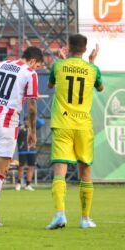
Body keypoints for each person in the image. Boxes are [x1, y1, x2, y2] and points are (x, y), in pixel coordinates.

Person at [0, 46, 43, 226]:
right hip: (6, 123)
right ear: (34, 61)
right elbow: (33, 107)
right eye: (38, 66)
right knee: (1, 170)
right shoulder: (29, 73)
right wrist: (33, 132)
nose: (36, 69)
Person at [46, 34, 103, 230]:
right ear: (85, 50)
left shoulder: (57, 66)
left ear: (68, 47)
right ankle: (85, 219)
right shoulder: (92, 69)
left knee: (59, 169)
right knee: (85, 170)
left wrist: (62, 61)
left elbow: (51, 85)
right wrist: (92, 62)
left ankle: (60, 215)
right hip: (83, 125)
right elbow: (100, 87)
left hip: (62, 122)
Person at [15, 116, 36, 191]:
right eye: (26, 120)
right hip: (22, 150)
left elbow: (41, 122)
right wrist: (20, 127)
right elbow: (15, 134)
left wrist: (33, 114)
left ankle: (28, 184)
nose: (27, 122)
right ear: (24, 121)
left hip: (32, 150)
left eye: (28, 121)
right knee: (21, 167)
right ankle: (18, 183)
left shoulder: (33, 128)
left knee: (31, 167)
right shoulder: (20, 128)